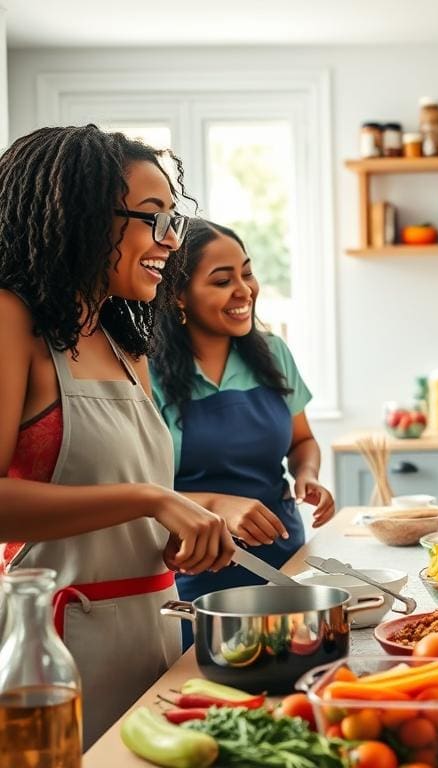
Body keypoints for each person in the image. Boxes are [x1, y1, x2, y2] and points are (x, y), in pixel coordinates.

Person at [0, 126, 235, 746]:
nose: (172, 240)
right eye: (153, 218)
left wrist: (178, 530)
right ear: (82, 217)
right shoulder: (10, 320)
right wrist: (151, 500)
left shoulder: (123, 340)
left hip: (154, 631)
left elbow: (119, 496)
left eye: (173, 219)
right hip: (54, 651)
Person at [150, 218, 334, 646]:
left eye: (246, 273)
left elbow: (302, 441)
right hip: (196, 571)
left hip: (284, 560)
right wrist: (216, 505)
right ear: (178, 294)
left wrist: (307, 474)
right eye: (222, 280)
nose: (245, 290)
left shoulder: (273, 353)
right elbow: (144, 490)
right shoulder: (146, 372)